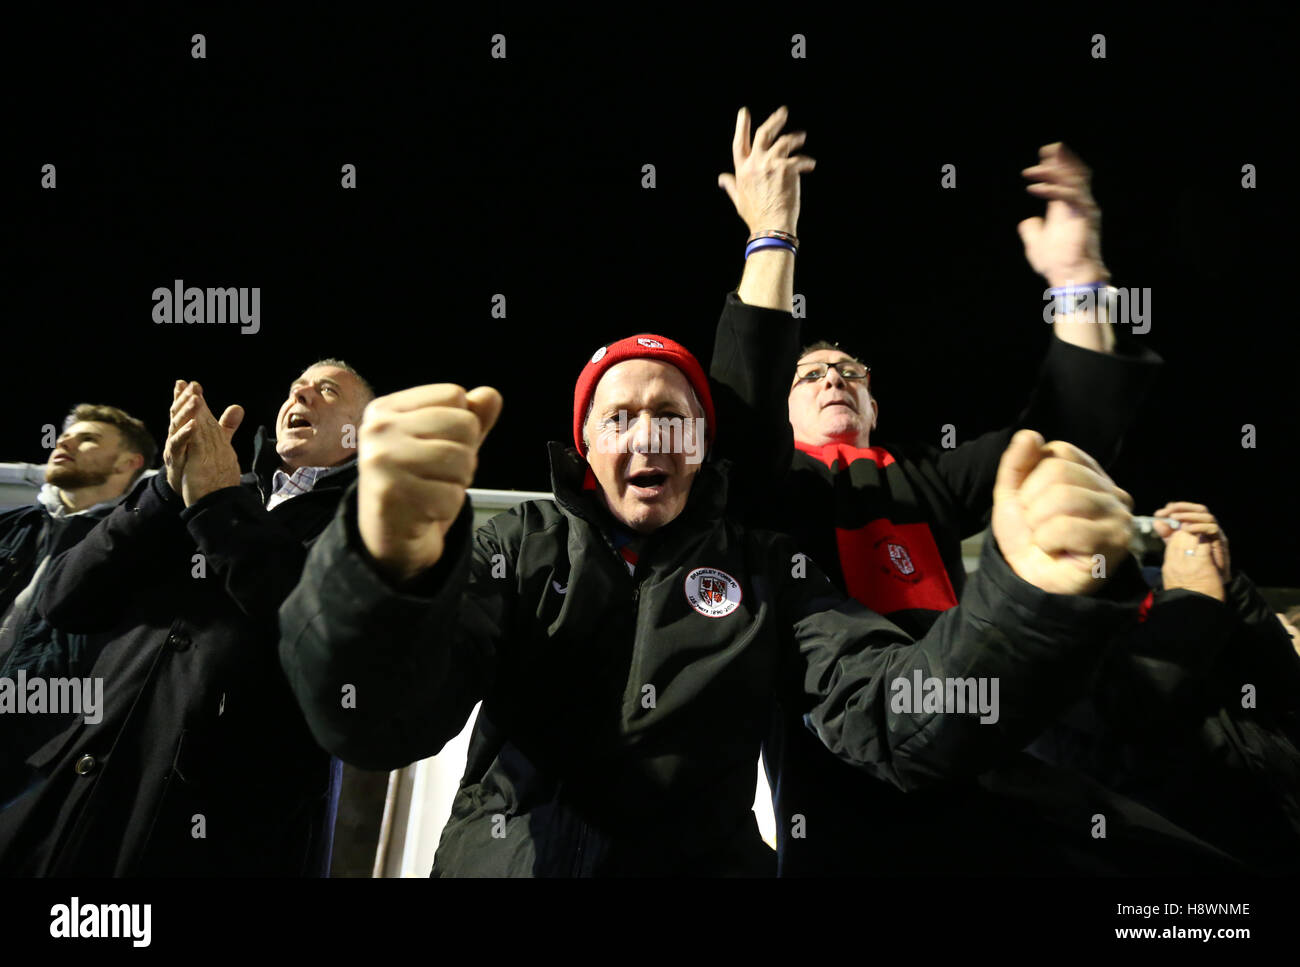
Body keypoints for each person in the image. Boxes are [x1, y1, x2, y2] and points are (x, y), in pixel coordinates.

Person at [278, 335, 1148, 877]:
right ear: (586, 447)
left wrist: (1027, 602)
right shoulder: (518, 545)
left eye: (673, 416)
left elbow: (893, 713)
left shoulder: (768, 569)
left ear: (702, 447)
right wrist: (379, 567)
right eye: (620, 417)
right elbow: (378, 723)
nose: (648, 434)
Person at [710, 106, 1174, 873]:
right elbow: (741, 402)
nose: (834, 377)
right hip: (842, 765)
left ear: (874, 405)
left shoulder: (916, 472)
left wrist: (1079, 282)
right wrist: (772, 235)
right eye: (813, 373)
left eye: (852, 373)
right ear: (786, 404)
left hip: (986, 745)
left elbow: (1060, 442)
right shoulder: (770, 483)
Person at [0, 359, 373, 876]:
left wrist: (218, 504)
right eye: (295, 388)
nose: (302, 396)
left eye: (327, 390)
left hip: (223, 831)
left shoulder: (373, 521)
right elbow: (65, 601)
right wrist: (162, 493)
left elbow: (319, 628)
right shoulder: (198, 487)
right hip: (85, 789)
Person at [1028, 502, 1300, 872]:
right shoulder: (1028, 655)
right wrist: (1197, 599)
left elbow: (1278, 683)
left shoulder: (1149, 594)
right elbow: (1126, 718)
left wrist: (1226, 581)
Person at [0, 405, 155, 803]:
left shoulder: (137, 549)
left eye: (87, 438)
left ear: (129, 463)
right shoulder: (11, 526)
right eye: (66, 435)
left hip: (39, 749)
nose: (64, 441)